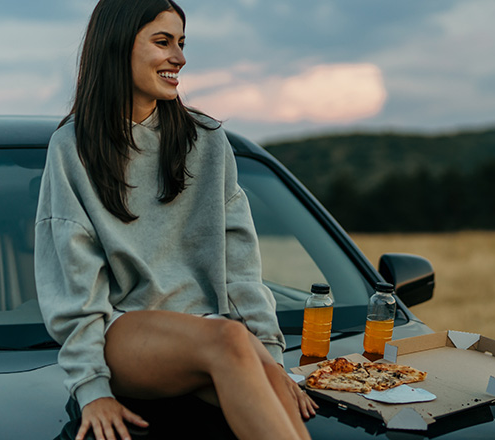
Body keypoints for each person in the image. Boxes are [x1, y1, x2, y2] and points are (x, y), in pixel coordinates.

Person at [35, 1, 315, 439]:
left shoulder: (207, 140)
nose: (180, 57)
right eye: (162, 42)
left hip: (213, 335)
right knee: (232, 341)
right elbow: (76, 279)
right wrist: (92, 388)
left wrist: (272, 361)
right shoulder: (73, 147)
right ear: (116, 47)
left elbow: (240, 262)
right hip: (123, 331)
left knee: (254, 362)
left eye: (181, 44)